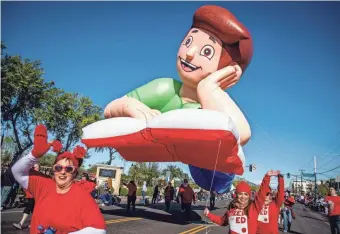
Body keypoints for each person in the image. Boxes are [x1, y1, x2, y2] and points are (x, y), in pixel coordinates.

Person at [12, 125, 106, 234]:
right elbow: (16, 172)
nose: (62, 171)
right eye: (58, 167)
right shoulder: (44, 184)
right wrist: (34, 155)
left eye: (69, 169)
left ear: (75, 172)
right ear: (54, 170)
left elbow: (99, 229)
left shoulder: (82, 197)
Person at [204, 170, 279, 234]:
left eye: (246, 194)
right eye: (240, 194)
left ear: (249, 196)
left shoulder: (254, 208)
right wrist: (208, 214)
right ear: (236, 195)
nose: (243, 197)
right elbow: (222, 221)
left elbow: (261, 193)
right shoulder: (231, 210)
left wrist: (267, 177)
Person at [13, 164, 40, 230]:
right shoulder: (31, 174)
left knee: (31, 209)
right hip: (31, 194)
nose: (36, 168)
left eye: (37, 167)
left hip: (34, 195)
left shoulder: (37, 175)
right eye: (35, 167)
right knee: (31, 209)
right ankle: (32, 224)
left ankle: (22, 224)